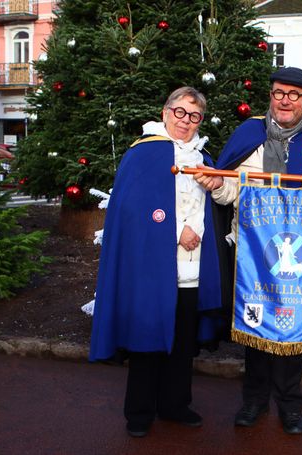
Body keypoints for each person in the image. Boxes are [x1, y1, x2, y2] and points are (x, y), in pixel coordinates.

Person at [194, 67, 302, 435]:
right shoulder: (250, 133)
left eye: (294, 95)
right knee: (256, 326)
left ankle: (290, 406)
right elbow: (229, 190)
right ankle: (254, 401)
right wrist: (217, 185)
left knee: (295, 332)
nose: (285, 101)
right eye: (279, 93)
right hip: (252, 254)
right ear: (271, 95)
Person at [89, 87, 222, 438]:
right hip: (152, 266)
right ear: (165, 113)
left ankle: (175, 405)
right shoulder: (143, 154)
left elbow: (212, 205)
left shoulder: (204, 156)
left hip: (192, 267)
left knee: (183, 341)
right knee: (147, 338)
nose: (186, 121)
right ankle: (139, 411)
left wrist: (197, 229)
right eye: (180, 112)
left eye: (194, 116)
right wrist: (178, 232)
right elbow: (134, 209)